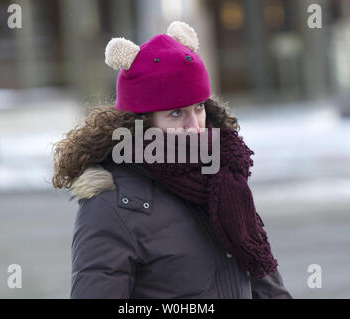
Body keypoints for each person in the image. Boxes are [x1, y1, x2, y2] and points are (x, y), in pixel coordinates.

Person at [52, 21, 292, 299]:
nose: (194, 126)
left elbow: (268, 288)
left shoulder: (225, 180)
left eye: (198, 107)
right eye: (176, 113)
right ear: (143, 121)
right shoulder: (112, 204)